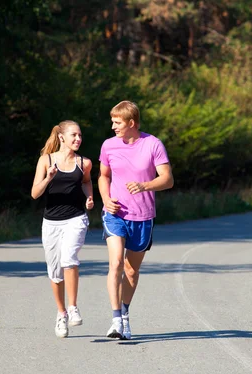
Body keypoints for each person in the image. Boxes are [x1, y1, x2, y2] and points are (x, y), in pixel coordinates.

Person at [98, 100, 174, 339]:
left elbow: (168, 179)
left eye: (117, 122)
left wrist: (145, 185)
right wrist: (105, 198)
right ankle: (116, 320)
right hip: (115, 214)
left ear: (131, 123)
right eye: (112, 121)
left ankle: (125, 313)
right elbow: (103, 176)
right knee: (116, 264)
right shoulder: (109, 146)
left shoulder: (153, 144)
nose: (113, 126)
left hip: (142, 216)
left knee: (131, 271)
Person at [31, 120, 94, 338]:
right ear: (62, 137)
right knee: (55, 272)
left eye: (80, 135)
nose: (78, 139)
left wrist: (90, 197)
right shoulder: (45, 161)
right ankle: (61, 313)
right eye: (74, 135)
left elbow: (86, 182)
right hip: (51, 223)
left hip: (76, 218)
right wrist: (48, 177)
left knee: (69, 259)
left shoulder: (84, 162)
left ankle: (74, 306)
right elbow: (35, 193)